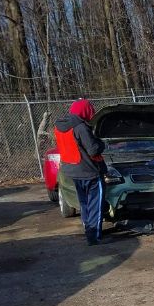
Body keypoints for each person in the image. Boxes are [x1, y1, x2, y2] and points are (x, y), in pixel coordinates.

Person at [53, 99, 106, 245]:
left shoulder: (60, 127)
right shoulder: (81, 127)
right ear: (85, 111)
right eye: (91, 110)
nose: (92, 113)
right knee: (95, 204)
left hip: (73, 170)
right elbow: (93, 149)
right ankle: (94, 236)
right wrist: (101, 143)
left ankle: (87, 227)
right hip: (89, 171)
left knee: (84, 203)